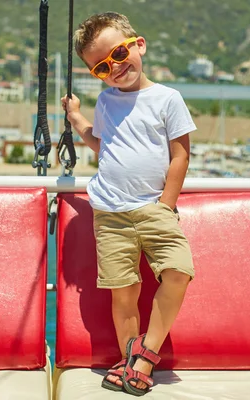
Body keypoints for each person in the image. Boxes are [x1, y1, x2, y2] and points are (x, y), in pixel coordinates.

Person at [61, 11, 196, 396]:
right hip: (110, 213)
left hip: (155, 209)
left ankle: (146, 353)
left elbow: (180, 156)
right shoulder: (106, 102)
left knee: (178, 271)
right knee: (124, 291)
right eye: (102, 66)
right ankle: (128, 359)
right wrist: (75, 117)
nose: (116, 67)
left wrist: (166, 206)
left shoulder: (168, 98)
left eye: (119, 53)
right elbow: (104, 146)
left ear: (139, 45)